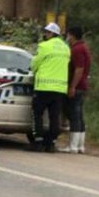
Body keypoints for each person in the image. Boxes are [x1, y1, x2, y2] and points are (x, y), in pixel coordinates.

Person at [27, 22, 70, 153]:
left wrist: (33, 71)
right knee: (54, 117)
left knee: (37, 114)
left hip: (43, 87)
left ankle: (38, 142)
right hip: (59, 88)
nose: (45, 34)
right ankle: (51, 143)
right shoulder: (66, 48)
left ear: (52, 34)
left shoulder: (44, 46)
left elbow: (34, 63)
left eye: (47, 32)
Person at [64, 26, 91, 154]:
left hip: (78, 86)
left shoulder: (76, 49)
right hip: (82, 85)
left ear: (72, 35)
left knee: (74, 115)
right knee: (79, 116)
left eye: (68, 34)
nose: (67, 37)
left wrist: (72, 86)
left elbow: (79, 69)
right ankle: (80, 145)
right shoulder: (84, 47)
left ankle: (73, 146)